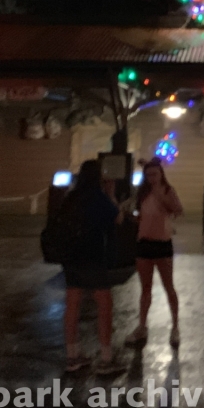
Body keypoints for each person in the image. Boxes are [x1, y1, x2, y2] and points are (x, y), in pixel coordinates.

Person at [61, 159, 127, 375]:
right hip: (93, 256)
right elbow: (117, 218)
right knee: (104, 304)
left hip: (71, 257)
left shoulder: (71, 197)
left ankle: (72, 355)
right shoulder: (98, 197)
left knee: (73, 304)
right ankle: (106, 358)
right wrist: (110, 193)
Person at [125, 157, 184, 348]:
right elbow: (140, 215)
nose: (151, 178)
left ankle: (175, 326)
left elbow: (177, 209)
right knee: (145, 288)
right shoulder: (141, 193)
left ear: (161, 174)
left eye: (154, 174)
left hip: (162, 244)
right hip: (144, 243)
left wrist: (160, 193)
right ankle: (142, 325)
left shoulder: (167, 190)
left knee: (169, 286)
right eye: (148, 174)